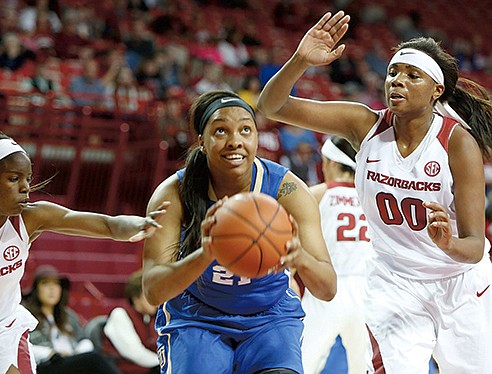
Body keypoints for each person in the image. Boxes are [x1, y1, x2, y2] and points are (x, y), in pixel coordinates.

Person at [257, 11, 492, 374]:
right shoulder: (363, 124)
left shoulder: (458, 143)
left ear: (437, 90)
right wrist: (300, 60)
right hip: (394, 283)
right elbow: (271, 106)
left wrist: (448, 244)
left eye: (412, 76)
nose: (397, 81)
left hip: (459, 283)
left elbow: (474, 246)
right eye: (393, 73)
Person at [142, 90, 337, 374]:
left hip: (270, 316)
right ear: (202, 143)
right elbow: (153, 290)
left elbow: (328, 288)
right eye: (221, 131)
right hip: (197, 316)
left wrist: (299, 257)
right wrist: (207, 253)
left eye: (246, 130)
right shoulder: (173, 193)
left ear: (257, 138)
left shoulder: (287, 190)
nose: (235, 141)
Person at [0, 133, 168, 374]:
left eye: (28, 178)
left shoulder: (31, 218)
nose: (26, 188)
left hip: (0, 332)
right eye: (14, 179)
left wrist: (138, 225)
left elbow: (107, 224)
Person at [301, 136, 374, 374]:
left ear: (331, 163)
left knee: (300, 364)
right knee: (364, 368)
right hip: (368, 292)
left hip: (326, 288)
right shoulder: (374, 199)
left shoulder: (317, 194)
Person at [22, 264, 121, 374]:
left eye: (56, 284)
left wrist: (77, 352)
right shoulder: (26, 315)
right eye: (45, 284)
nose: (52, 289)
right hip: (45, 365)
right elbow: (21, 347)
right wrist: (50, 353)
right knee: (94, 359)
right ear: (36, 289)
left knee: (100, 359)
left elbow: (84, 340)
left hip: (70, 360)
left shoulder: (68, 315)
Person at [102, 269, 159, 374]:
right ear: (136, 297)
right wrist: (165, 364)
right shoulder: (120, 314)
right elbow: (134, 353)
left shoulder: (150, 318)